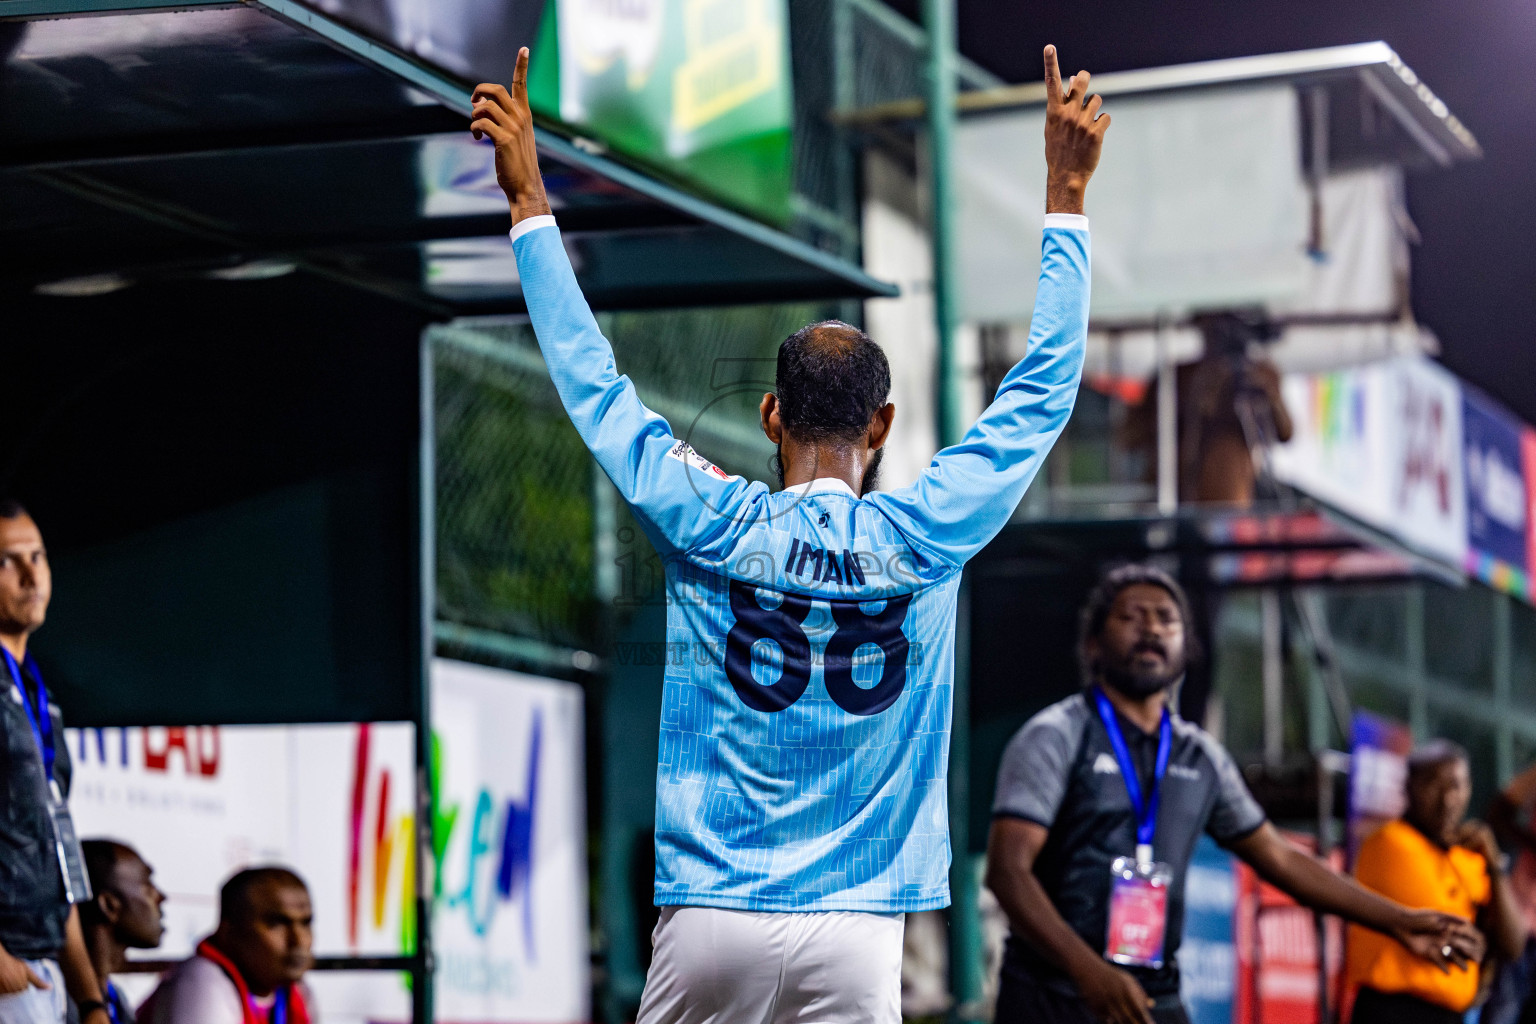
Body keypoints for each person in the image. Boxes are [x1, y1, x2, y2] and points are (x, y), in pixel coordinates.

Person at [470, 42, 1106, 1024]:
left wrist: (527, 204)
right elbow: (1045, 386)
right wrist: (1065, 193)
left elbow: (594, 383)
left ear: (771, 415)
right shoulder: (928, 530)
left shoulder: (712, 517)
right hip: (857, 927)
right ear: (883, 425)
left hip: (713, 909)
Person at [985, 563, 1483, 1024]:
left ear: (1186, 647)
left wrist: (1398, 920)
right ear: (1093, 644)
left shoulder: (1200, 757)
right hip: (1050, 995)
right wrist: (1086, 971)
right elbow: (1008, 872)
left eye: (1167, 620)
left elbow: (1282, 861)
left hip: (1150, 997)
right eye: (1132, 617)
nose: (1152, 629)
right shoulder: (1056, 735)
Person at [0, 500, 113, 1024]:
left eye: (38, 556)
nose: (30, 575)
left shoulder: (39, 692)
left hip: (44, 969)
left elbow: (53, 846)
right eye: (6, 561)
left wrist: (89, 997)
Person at [1346, 741, 1525, 1024]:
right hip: (1392, 1011)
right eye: (1433, 785)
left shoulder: (1470, 856)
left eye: (1457, 785)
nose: (1447, 799)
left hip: (1450, 1015)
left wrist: (1493, 865)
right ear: (1409, 787)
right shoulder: (1389, 842)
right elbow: (1446, 923)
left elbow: (1513, 944)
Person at [141, 868, 314, 1024]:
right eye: (277, 924)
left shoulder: (294, 993)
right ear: (228, 931)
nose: (298, 941)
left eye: (306, 923)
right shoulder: (201, 980)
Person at [79, 842, 166, 1024]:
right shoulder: (56, 1004)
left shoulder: (116, 1000)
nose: (161, 897)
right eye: (148, 886)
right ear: (109, 906)